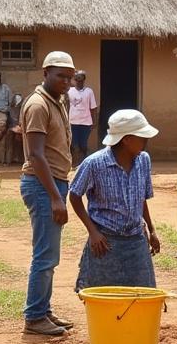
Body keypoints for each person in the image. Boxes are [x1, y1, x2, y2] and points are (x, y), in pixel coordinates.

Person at [69, 109, 161, 291]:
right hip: (105, 243)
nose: (146, 141)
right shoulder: (94, 164)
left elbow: (141, 198)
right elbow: (74, 195)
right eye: (141, 137)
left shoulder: (143, 161)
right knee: (104, 296)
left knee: (142, 295)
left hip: (136, 241)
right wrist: (93, 233)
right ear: (126, 139)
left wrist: (151, 230)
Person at [19, 51, 77, 336]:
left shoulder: (57, 101)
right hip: (43, 184)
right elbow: (37, 155)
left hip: (53, 183)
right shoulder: (39, 105)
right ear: (45, 73)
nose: (66, 81)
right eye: (60, 76)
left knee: (49, 255)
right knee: (45, 255)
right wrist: (55, 197)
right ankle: (34, 316)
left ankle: (43, 310)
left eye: (70, 77)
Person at [67, 70, 99, 163]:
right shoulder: (70, 91)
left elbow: (93, 107)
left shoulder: (89, 92)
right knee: (73, 145)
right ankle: (74, 163)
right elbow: (66, 106)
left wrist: (94, 121)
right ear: (74, 79)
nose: (78, 81)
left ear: (84, 80)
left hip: (85, 123)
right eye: (77, 78)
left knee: (83, 145)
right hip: (72, 122)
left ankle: (83, 161)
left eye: (80, 79)